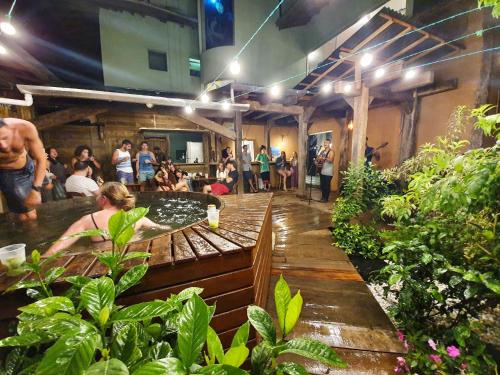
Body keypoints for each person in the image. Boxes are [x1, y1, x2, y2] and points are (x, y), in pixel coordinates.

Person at [45, 182, 165, 255]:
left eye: (97, 196)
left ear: (103, 199)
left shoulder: (88, 220)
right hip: (130, 257)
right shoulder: (138, 218)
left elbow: (55, 249)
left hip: (102, 266)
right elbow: (164, 229)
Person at [0, 118, 47, 221]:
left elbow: (41, 158)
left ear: (9, 128)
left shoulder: (24, 127)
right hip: (9, 173)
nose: (3, 145)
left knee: (42, 197)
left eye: (5, 138)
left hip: (28, 165)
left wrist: (36, 189)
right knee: (27, 214)